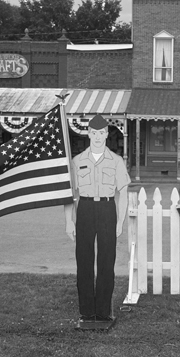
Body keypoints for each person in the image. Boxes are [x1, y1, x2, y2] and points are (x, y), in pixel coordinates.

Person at [64, 114, 130, 327]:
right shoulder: (77, 161)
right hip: (85, 208)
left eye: (102, 133)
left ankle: (102, 312)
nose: (98, 137)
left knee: (106, 260)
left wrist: (120, 221)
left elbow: (124, 192)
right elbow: (69, 194)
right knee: (83, 260)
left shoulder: (116, 161)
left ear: (106, 134)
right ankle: (86, 312)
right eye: (94, 133)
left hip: (106, 208)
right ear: (89, 134)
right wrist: (69, 221)